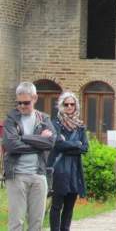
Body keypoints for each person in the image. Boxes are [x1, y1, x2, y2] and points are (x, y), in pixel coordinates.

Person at [2, 81, 56, 231]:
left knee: (36, 223)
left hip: (39, 175)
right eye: (19, 103)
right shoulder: (11, 119)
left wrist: (24, 137)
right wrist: (38, 141)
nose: (22, 107)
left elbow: (50, 143)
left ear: (35, 98)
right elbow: (11, 145)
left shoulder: (44, 119)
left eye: (26, 103)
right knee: (16, 222)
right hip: (16, 175)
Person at [48, 92, 88, 231]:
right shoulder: (55, 123)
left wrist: (71, 144)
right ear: (61, 106)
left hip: (74, 171)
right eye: (66, 104)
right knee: (56, 206)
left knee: (69, 207)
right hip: (59, 169)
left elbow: (85, 148)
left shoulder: (80, 126)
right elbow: (57, 144)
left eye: (72, 104)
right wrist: (76, 144)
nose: (70, 106)